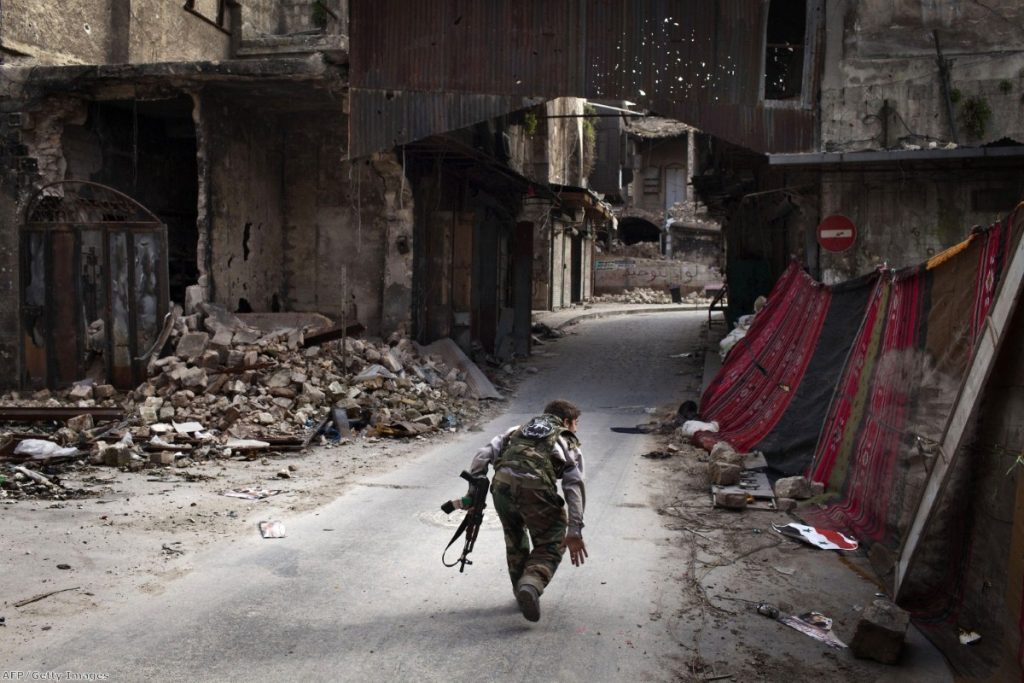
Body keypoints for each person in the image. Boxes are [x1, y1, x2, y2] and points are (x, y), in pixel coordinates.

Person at [465, 399, 588, 622]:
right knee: (553, 540)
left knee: (515, 538)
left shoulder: (516, 430)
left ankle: (521, 591)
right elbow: (574, 485)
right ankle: (531, 583)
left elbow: (482, 456)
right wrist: (575, 530)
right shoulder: (565, 438)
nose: (576, 428)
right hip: (536, 491)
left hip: (501, 489)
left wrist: (474, 492)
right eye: (576, 423)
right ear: (566, 421)